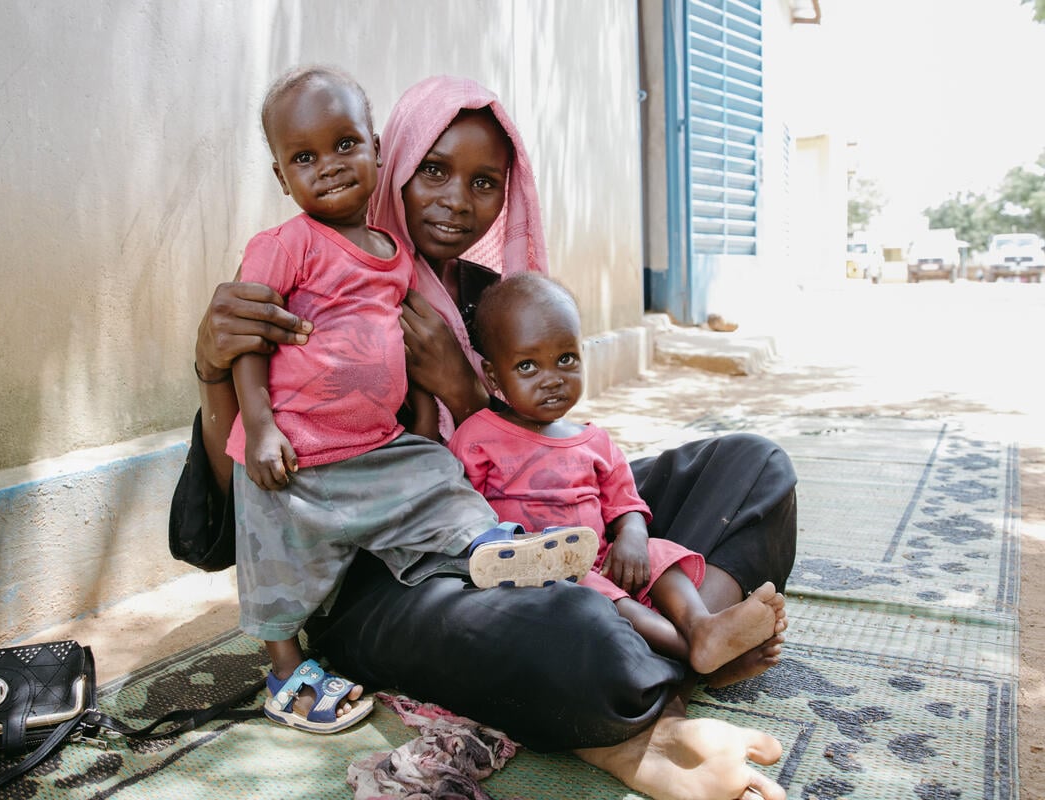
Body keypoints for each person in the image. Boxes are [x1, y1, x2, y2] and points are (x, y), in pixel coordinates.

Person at [191, 74, 796, 800]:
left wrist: (465, 392)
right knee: (568, 622)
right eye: (434, 170)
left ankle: (679, 637)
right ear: (397, 166)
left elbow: (557, 454)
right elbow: (246, 507)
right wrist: (212, 370)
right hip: (388, 578)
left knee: (753, 466)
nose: (456, 200)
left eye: (485, 182)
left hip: (523, 524)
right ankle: (648, 676)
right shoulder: (311, 282)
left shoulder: (491, 298)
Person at [224, 66, 596, 733]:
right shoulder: (284, 248)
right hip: (300, 457)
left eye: (485, 183)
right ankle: (285, 666)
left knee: (440, 476)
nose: (457, 200)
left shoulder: (418, 266)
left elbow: (409, 358)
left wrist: (442, 408)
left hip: (376, 450)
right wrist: (257, 424)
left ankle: (495, 548)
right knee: (274, 555)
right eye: (305, 158)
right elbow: (250, 347)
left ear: (372, 148)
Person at [451, 272, 788, 677]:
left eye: (566, 359)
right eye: (527, 366)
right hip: (542, 571)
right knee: (597, 594)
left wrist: (632, 536)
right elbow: (462, 510)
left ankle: (702, 624)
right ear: (492, 376)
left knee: (662, 556)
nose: (553, 378)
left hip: (602, 557)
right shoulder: (479, 437)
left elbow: (625, 501)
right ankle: (697, 654)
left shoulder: (594, 440)